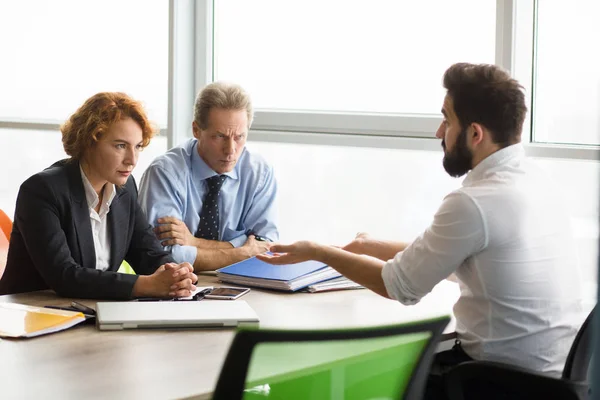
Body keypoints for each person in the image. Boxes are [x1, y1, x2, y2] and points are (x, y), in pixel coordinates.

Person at [257, 63, 587, 396]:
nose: (438, 132)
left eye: (447, 119)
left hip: (493, 383)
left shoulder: (474, 202)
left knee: (363, 378)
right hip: (553, 380)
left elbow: (398, 285)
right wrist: (371, 244)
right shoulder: (537, 183)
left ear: (475, 134)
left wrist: (320, 252)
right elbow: (461, 256)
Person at [0, 92, 197, 299]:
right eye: (120, 146)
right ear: (89, 141)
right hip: (32, 314)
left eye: (137, 146)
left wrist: (175, 273)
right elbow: (64, 276)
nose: (132, 160)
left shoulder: (124, 186)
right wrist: (146, 285)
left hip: (93, 311)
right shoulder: (41, 191)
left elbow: (146, 252)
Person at [138, 82, 278, 271]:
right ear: (196, 130)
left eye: (239, 137)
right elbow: (165, 256)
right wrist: (241, 251)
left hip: (243, 285)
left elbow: (266, 247)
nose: (230, 150)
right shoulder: (165, 173)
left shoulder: (259, 172)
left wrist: (194, 242)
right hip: (175, 288)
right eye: (219, 136)